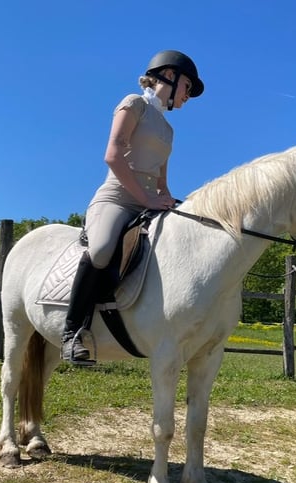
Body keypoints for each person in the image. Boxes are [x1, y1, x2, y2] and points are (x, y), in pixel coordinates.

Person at [61, 49, 205, 365]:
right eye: (187, 87)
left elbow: (162, 181)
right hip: (116, 197)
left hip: (149, 200)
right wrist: (148, 199)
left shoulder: (168, 130)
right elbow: (112, 155)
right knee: (100, 250)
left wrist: (172, 203)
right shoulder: (133, 103)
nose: (188, 96)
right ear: (169, 75)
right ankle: (72, 332)